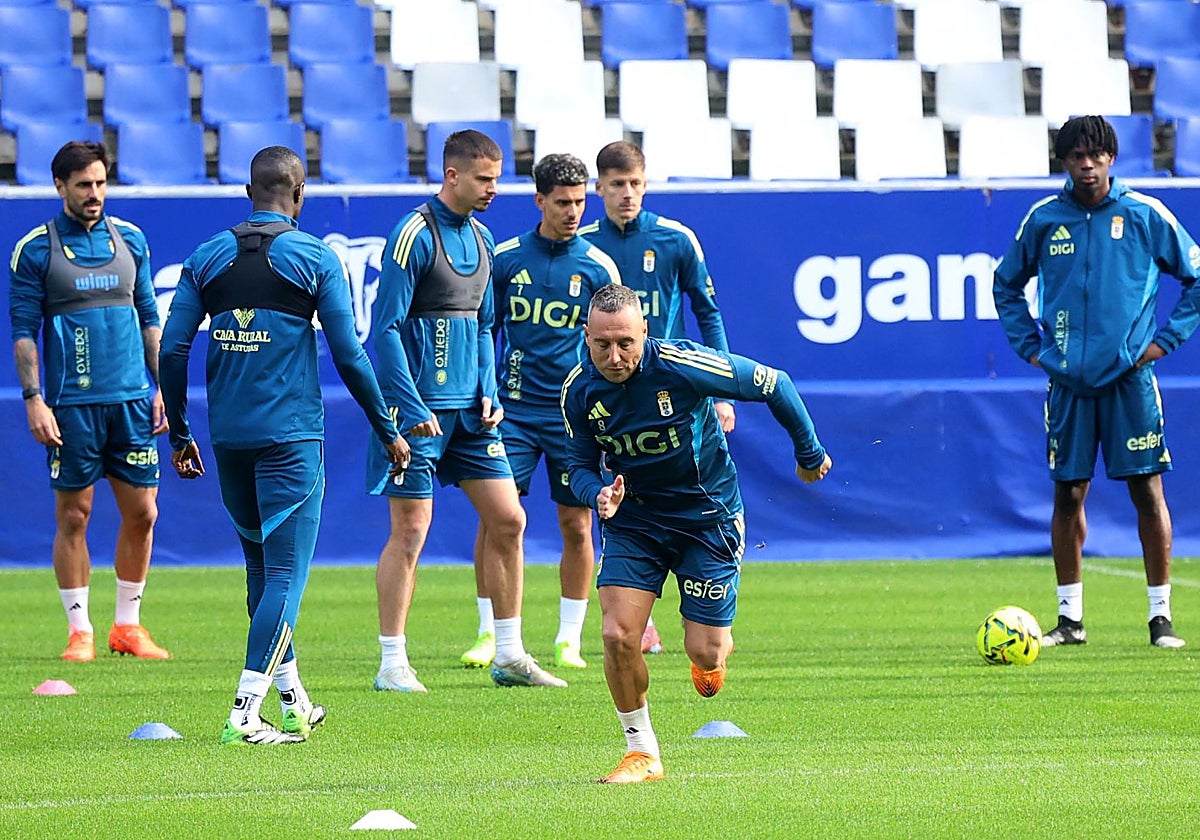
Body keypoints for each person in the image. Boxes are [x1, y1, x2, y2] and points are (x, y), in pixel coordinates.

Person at [159, 146, 410, 745]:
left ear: (249, 194)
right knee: (285, 580)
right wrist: (387, 428)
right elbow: (350, 354)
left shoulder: (207, 257)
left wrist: (181, 431)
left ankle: (294, 700)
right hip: (291, 440)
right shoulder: (315, 257)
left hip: (229, 439)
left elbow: (171, 351)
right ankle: (246, 712)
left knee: (260, 570)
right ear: (299, 196)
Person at [561, 284, 832, 783]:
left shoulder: (684, 365)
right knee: (617, 635)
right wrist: (595, 493)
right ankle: (642, 753)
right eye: (602, 345)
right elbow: (576, 463)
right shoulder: (578, 390)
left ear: (646, 331)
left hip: (707, 520)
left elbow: (775, 383)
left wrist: (809, 453)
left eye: (626, 342)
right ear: (587, 336)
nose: (615, 356)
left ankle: (710, 651)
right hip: (636, 521)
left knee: (705, 658)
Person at [368, 130, 566, 691]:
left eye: (498, 179)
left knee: (510, 519)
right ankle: (392, 662)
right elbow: (383, 330)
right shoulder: (412, 235)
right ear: (452, 175)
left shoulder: (482, 239)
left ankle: (508, 654)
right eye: (484, 179)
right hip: (420, 413)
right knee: (411, 531)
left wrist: (488, 390)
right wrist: (408, 406)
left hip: (472, 418)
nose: (493, 190)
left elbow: (483, 325)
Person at [993, 115, 1200, 650]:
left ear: (1111, 158)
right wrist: (1034, 349)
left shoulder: (1143, 214)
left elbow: (1196, 277)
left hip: (1131, 379)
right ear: (1063, 162)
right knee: (1068, 493)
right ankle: (1070, 620)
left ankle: (1160, 619)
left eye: (1096, 155)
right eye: (1075, 157)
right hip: (1068, 383)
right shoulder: (1044, 220)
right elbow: (1006, 283)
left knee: (1147, 490)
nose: (1087, 165)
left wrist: (1163, 343)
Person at [9, 140, 170, 663]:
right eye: (83, 185)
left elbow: (149, 317)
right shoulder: (36, 249)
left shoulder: (132, 241)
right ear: (60, 187)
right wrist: (34, 399)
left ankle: (128, 626)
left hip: (131, 401)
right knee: (75, 516)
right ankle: (80, 632)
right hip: (70, 404)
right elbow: (23, 332)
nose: (94, 193)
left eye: (101, 183)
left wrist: (162, 384)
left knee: (143, 513)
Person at [460, 153, 622, 672]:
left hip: (572, 415)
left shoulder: (598, 267)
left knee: (577, 524)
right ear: (540, 201)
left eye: (579, 202)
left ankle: (567, 639)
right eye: (562, 203)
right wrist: (486, 390)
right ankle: (490, 632)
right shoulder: (507, 258)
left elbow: (618, 341)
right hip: (515, 411)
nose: (573, 211)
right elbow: (487, 329)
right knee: (498, 520)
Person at [580, 140, 736, 655]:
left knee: (691, 482)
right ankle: (634, 606)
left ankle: (707, 604)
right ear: (598, 187)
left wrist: (719, 389)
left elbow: (707, 310)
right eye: (617, 184)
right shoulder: (584, 248)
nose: (627, 195)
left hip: (674, 391)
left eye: (636, 184)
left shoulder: (675, 240)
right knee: (610, 491)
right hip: (609, 393)